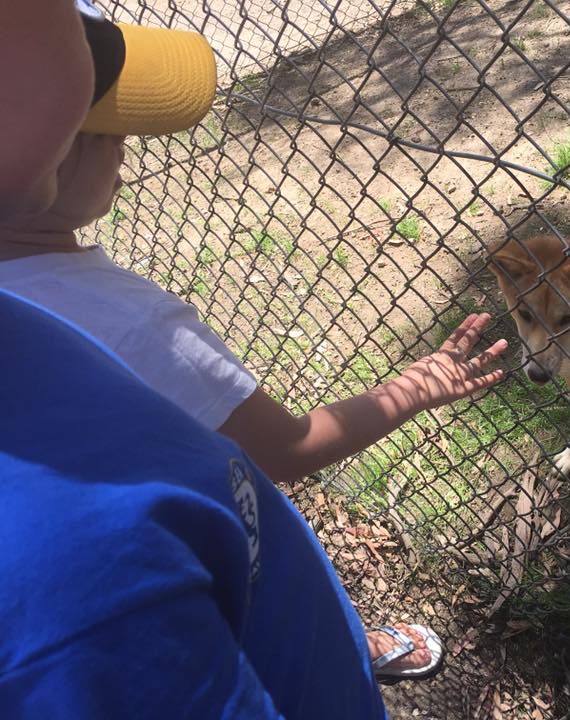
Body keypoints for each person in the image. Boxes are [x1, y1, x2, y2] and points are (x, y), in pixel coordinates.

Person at [0, 1, 498, 715]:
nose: (127, 153)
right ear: (56, 147)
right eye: (113, 133)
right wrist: (413, 388)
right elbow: (288, 450)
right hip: (244, 619)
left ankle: (342, 633)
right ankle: (340, 642)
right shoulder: (133, 322)